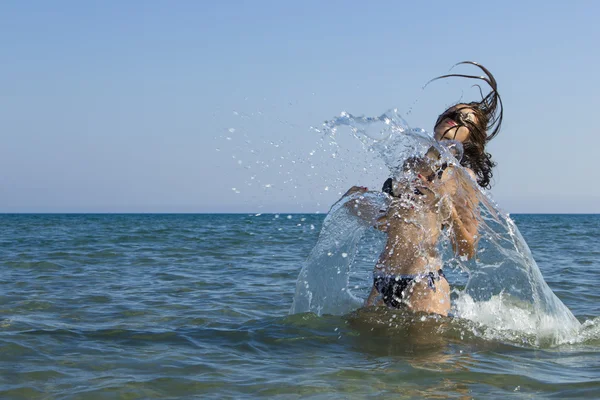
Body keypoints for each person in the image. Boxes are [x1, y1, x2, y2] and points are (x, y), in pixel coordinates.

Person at [346, 62, 503, 316]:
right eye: (451, 112)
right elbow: (391, 223)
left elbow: (467, 249)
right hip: (382, 282)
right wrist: (356, 202)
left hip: (423, 284)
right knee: (365, 355)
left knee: (424, 356)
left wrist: (445, 204)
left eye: (464, 119)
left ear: (470, 138)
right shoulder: (410, 164)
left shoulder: (462, 179)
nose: (454, 117)